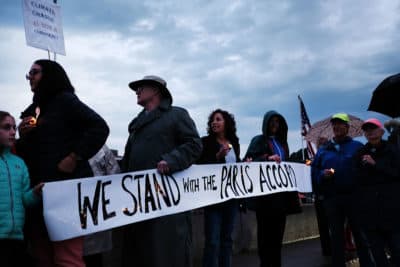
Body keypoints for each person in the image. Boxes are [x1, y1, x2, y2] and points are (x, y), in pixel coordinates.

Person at [17, 59, 110, 267]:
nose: (29, 77)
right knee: (43, 256)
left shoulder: (66, 101)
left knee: (67, 258)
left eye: (34, 72)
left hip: (65, 191)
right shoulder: (33, 110)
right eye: (28, 74)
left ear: (50, 74)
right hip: (38, 193)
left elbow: (99, 127)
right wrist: (23, 135)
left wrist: (74, 157)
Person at [121, 75, 202, 267]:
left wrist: (172, 160)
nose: (137, 91)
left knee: (166, 254)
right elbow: (128, 160)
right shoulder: (136, 125)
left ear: (156, 90)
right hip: (139, 203)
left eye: (141, 87)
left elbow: (194, 145)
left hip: (167, 206)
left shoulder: (177, 115)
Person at [311, 113, 373, 267]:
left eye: (340, 124)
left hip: (355, 198)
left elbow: (368, 171)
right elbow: (314, 172)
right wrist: (322, 175)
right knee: (336, 238)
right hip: (332, 200)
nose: (337, 126)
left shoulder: (358, 147)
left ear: (347, 127)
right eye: (334, 124)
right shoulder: (323, 150)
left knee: (360, 236)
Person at [244, 110, 301, 267]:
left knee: (277, 236)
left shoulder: (283, 143)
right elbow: (248, 161)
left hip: (281, 198)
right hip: (265, 199)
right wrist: (267, 158)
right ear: (266, 123)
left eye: (277, 121)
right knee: (265, 236)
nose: (275, 124)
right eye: (272, 121)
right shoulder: (258, 140)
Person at [353, 118, 400, 266]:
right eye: (367, 130)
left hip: (392, 211)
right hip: (370, 213)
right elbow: (357, 180)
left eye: (373, 128)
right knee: (377, 252)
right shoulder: (360, 153)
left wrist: (376, 164)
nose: (370, 132)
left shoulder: (393, 150)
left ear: (381, 131)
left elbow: (396, 173)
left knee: (397, 249)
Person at [198, 109, 241, 267]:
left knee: (227, 240)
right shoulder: (206, 142)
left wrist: (245, 165)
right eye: (212, 120)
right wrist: (217, 157)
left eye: (218, 119)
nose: (214, 122)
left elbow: (235, 166)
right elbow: (199, 166)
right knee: (213, 241)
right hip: (214, 199)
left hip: (231, 198)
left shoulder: (233, 143)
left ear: (226, 123)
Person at [0, 111, 43, 267]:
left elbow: (25, 200)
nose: (12, 132)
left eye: (13, 128)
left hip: (17, 238)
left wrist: (35, 193)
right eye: (6, 127)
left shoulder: (19, 163)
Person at [83, 145, 121, 267]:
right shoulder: (101, 148)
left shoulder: (101, 149)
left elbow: (115, 177)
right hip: (84, 218)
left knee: (93, 258)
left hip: (96, 218)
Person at [311, 136, 331, 256]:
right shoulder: (318, 160)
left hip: (323, 196)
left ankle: (329, 249)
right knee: (326, 226)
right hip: (322, 196)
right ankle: (328, 249)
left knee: (327, 226)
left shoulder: (317, 159)